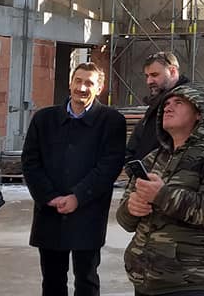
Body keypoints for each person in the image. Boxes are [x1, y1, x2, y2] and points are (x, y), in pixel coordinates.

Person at [116, 85, 204, 296]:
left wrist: (161, 195)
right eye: (166, 104)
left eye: (178, 103)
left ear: (199, 114)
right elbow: (125, 221)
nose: (168, 108)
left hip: (190, 282)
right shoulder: (153, 158)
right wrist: (131, 208)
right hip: (145, 279)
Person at [22, 63, 126, 296]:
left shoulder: (111, 121)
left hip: (88, 211)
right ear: (70, 83)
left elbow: (109, 166)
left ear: (99, 88)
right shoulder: (44, 119)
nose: (82, 88)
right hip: (50, 211)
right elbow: (30, 162)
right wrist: (49, 197)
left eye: (89, 83)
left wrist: (78, 197)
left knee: (87, 279)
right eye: (78, 81)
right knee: (52, 280)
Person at [125, 52, 194, 162]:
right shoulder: (155, 105)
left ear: (172, 71)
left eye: (155, 75)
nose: (149, 81)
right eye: (147, 76)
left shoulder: (189, 103)